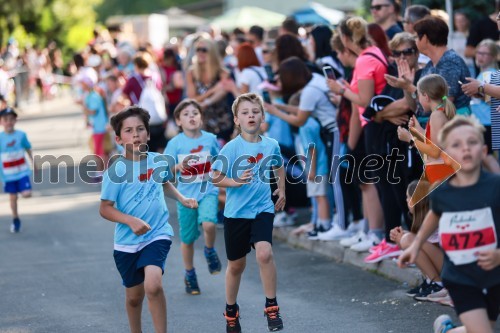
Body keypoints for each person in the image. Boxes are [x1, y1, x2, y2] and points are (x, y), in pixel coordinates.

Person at [100, 106, 198, 333]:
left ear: (149, 134)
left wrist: (182, 199)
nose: (135, 134)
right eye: (128, 131)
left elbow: (164, 181)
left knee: (153, 285)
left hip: (157, 232)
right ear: (118, 138)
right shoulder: (116, 171)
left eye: (140, 129)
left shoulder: (157, 161)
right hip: (127, 241)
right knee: (134, 298)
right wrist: (130, 221)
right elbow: (105, 209)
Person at [398, 116, 500, 333]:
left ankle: (447, 331)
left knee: (484, 327)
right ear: (447, 155)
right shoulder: (442, 192)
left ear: (483, 151)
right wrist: (415, 246)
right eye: (456, 144)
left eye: (471, 142)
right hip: (460, 275)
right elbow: (434, 214)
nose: (465, 149)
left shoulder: (495, 187)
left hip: (493, 274)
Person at [211, 93, 285, 333]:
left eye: (255, 111)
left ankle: (271, 307)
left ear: (262, 116)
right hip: (236, 214)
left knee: (264, 253)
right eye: (245, 112)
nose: (251, 116)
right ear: (236, 119)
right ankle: (231, 310)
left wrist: (281, 190)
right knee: (236, 266)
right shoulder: (232, 148)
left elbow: (278, 165)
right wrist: (234, 181)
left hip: (262, 209)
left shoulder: (271, 144)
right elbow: (215, 177)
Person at [265, 57, 349, 240]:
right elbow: (303, 112)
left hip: (333, 133)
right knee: (333, 185)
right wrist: (283, 107)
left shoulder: (310, 91)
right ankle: (329, 223)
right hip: (332, 134)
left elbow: (300, 119)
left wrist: (275, 111)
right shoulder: (316, 82)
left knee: (335, 184)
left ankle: (339, 224)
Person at [164, 99, 222, 295]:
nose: (191, 116)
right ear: (178, 121)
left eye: (195, 113)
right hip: (185, 197)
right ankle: (190, 274)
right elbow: (164, 172)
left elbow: (219, 160)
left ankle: (209, 249)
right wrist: (177, 167)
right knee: (187, 239)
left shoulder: (210, 139)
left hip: (208, 191)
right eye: (186, 114)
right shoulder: (175, 144)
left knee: (209, 223)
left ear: (201, 118)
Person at [390, 180, 449, 305]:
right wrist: (399, 239)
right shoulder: (421, 220)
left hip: (450, 268)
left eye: (408, 197)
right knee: (406, 238)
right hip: (445, 265)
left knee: (408, 239)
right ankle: (430, 281)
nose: (406, 200)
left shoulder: (435, 219)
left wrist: (404, 239)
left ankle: (437, 283)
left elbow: (433, 247)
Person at [398, 74, 457, 186]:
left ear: (426, 96)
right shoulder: (440, 112)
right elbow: (436, 143)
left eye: (418, 95)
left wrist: (410, 139)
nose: (418, 100)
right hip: (442, 172)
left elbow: (435, 152)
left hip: (441, 173)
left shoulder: (437, 115)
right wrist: (418, 129)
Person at [186, 38, 233, 144]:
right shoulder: (192, 72)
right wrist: (211, 91)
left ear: (212, 52)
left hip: (221, 122)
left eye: (204, 50)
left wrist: (204, 102)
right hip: (201, 123)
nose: (200, 52)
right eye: (198, 49)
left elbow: (222, 92)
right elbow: (192, 98)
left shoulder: (222, 72)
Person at [0, 107, 35, 233]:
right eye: (5, 119)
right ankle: (15, 219)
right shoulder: (0, 138)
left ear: (15, 120)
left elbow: (28, 148)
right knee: (13, 198)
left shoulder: (21, 135)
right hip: (8, 174)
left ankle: (23, 189)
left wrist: (34, 162)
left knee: (27, 194)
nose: (8, 122)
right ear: (1, 122)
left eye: (11, 119)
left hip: (22, 171)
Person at [79, 73, 109, 181]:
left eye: (82, 83)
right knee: (99, 150)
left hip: (100, 126)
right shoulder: (91, 95)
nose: (81, 85)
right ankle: (102, 172)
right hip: (97, 126)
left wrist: (84, 107)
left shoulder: (94, 96)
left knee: (100, 151)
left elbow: (93, 111)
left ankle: (101, 173)